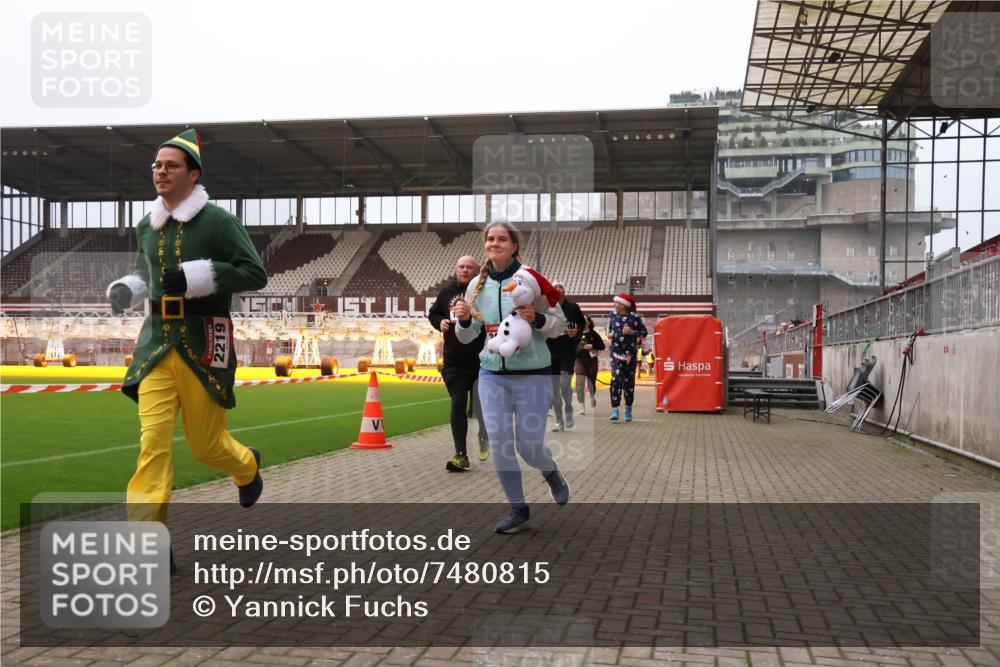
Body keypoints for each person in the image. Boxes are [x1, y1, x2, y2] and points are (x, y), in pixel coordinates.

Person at [107, 129, 268, 535]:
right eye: (157, 165)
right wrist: (130, 288)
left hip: (203, 340)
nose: (160, 171)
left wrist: (200, 276)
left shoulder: (218, 221)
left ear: (193, 174)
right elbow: (149, 273)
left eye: (171, 165)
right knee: (152, 447)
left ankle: (246, 466)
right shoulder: (147, 225)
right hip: (156, 343)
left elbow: (255, 273)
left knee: (207, 446)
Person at [452, 222, 570, 534]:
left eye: (502, 239)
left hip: (532, 374)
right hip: (491, 374)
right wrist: (464, 322)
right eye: (490, 239)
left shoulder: (531, 278)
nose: (495, 243)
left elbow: (561, 324)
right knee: (502, 445)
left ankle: (551, 472)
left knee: (529, 445)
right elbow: (467, 337)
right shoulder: (476, 284)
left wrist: (540, 318)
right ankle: (518, 508)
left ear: (515, 245)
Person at [427, 255, 490, 471]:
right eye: (461, 267)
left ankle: (483, 435)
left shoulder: (484, 292)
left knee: (481, 407)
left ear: (477, 271)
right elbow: (433, 313)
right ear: (456, 270)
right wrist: (440, 322)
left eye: (469, 267)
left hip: (482, 360)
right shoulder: (446, 292)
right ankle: (460, 455)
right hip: (454, 360)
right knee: (458, 402)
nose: (464, 270)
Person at [546, 280, 585, 432]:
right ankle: (559, 421)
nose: (558, 289)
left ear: (564, 290)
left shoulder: (573, 307)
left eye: (560, 286)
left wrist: (576, 332)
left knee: (564, 384)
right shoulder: (547, 306)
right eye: (555, 287)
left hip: (567, 351)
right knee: (554, 389)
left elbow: (582, 324)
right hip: (550, 351)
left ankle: (568, 409)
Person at [607, 292, 648, 422]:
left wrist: (632, 332)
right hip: (615, 353)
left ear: (623, 305)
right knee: (616, 378)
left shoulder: (634, 318)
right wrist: (610, 335)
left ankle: (628, 407)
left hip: (630, 354)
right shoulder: (612, 316)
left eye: (617, 303)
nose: (614, 304)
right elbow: (611, 330)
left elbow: (644, 332)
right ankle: (614, 408)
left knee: (628, 382)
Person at [574, 316, 604, 415]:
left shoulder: (593, 334)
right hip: (579, 361)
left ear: (589, 322)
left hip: (592, 361)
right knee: (579, 383)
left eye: (585, 319)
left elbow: (602, 346)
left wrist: (593, 346)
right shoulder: (576, 333)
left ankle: (591, 395)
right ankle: (582, 406)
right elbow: (570, 346)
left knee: (591, 383)